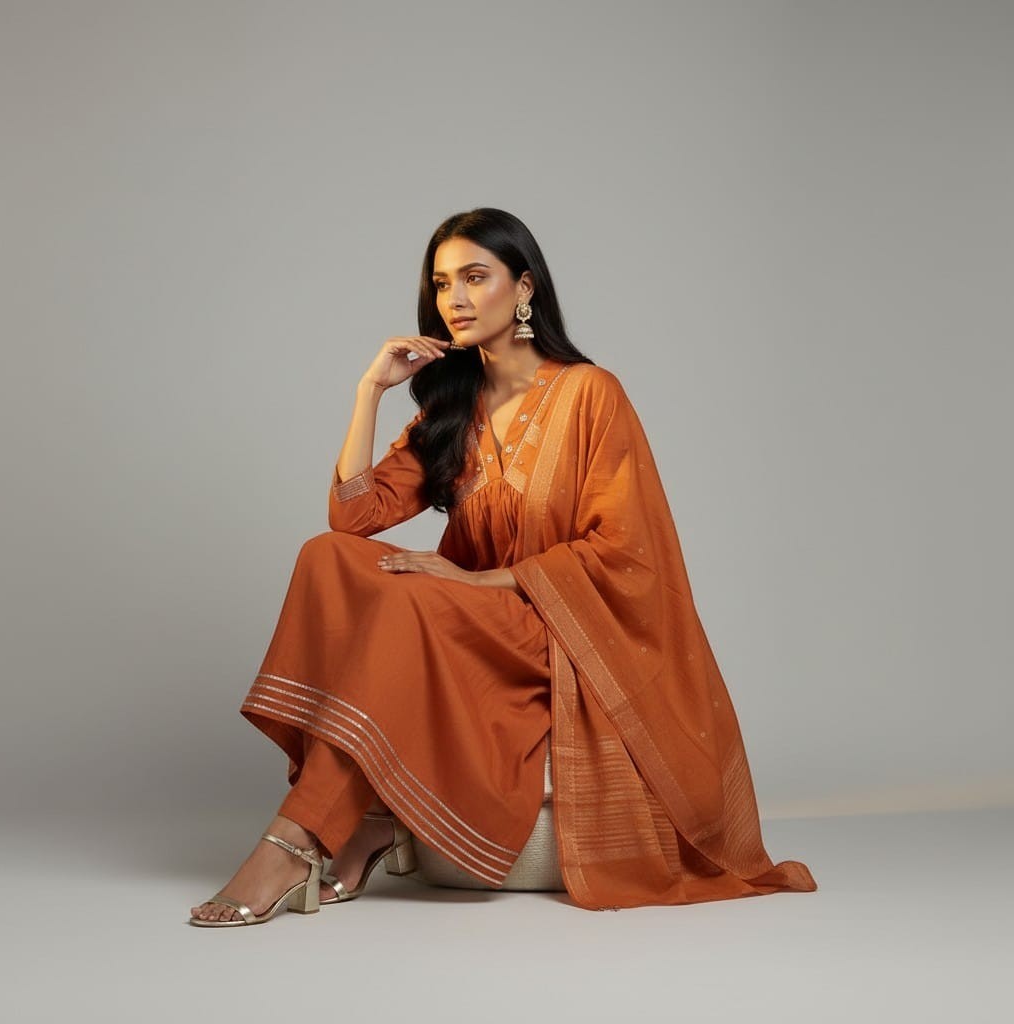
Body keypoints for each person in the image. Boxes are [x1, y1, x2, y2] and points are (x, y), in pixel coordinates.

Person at [188, 207, 817, 926]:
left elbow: (624, 549)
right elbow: (352, 518)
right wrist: (371, 391)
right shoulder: (453, 409)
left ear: (523, 288)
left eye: (474, 277)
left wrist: (477, 580)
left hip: (556, 630)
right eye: (441, 283)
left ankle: (298, 842)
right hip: (467, 623)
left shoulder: (590, 393)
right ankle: (359, 822)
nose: (454, 299)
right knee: (325, 557)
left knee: (406, 603)